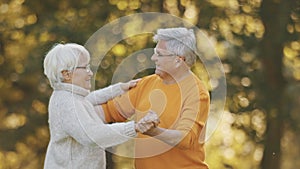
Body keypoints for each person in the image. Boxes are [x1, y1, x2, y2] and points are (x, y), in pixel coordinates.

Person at [100, 27, 210, 169]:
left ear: (178, 60)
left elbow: (185, 139)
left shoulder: (197, 93)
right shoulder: (147, 83)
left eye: (159, 54)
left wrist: (154, 132)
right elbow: (108, 111)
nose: (153, 58)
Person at [43, 43, 159, 169]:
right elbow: (93, 135)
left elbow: (90, 99)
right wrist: (134, 127)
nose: (90, 73)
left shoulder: (69, 96)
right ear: (67, 74)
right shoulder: (67, 103)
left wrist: (120, 88)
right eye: (85, 68)